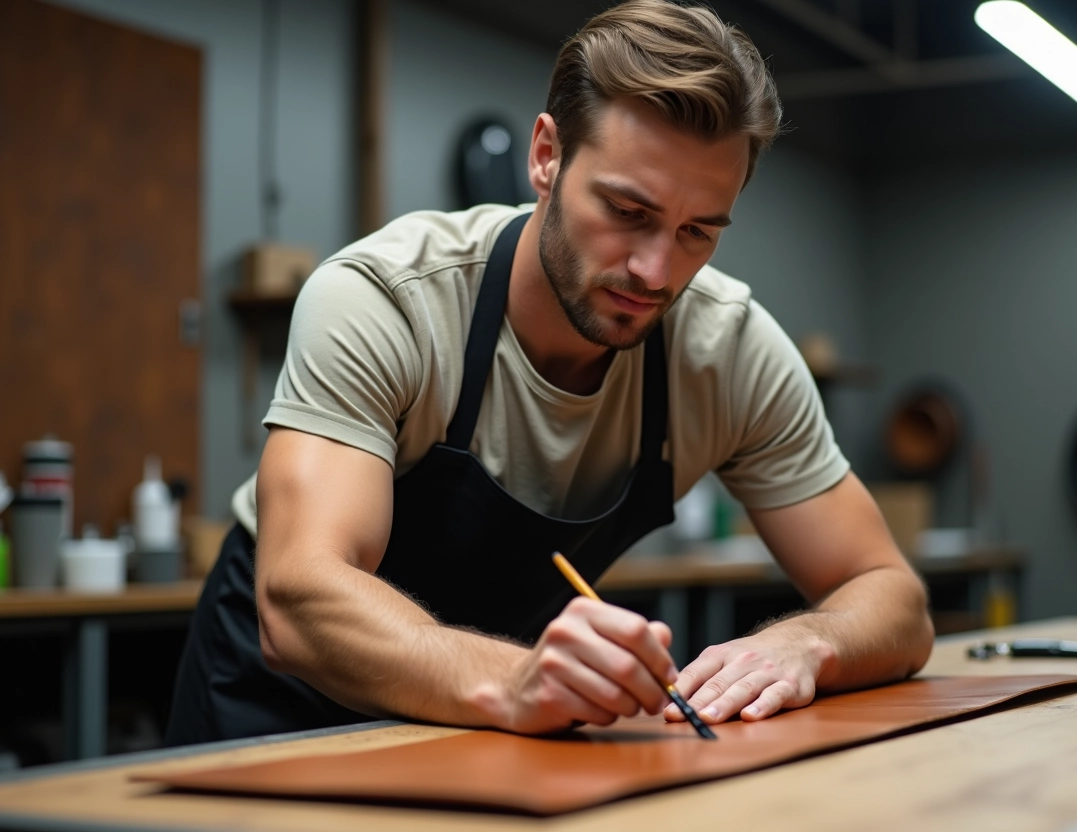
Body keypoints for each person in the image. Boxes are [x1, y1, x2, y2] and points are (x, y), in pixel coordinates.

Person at [166, 0, 933, 746]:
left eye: (698, 231)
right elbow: (299, 600)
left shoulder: (727, 351)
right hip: (279, 721)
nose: (656, 271)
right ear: (545, 156)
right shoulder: (387, 300)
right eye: (628, 211)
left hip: (490, 722)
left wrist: (807, 644)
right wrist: (515, 681)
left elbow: (894, 598)